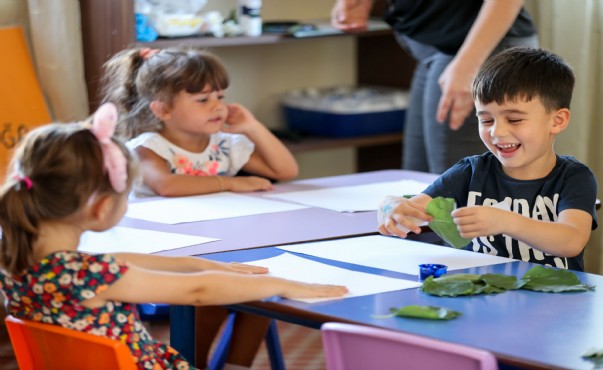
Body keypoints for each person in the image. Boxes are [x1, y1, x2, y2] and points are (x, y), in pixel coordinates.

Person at [0, 103, 348, 369]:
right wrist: (281, 285)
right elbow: (198, 292)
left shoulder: (22, 258)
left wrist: (192, 263)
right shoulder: (89, 274)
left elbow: (125, 262)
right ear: (102, 207)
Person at [377, 47, 598, 272]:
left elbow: (571, 241)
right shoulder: (470, 172)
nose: (497, 132)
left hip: (557, 301)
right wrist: (391, 208)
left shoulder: (574, 178)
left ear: (557, 121)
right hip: (484, 294)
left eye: (513, 119)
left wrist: (506, 221)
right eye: (486, 120)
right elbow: (413, 208)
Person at [332, 0, 538, 174]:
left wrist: (469, 67)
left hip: (474, 51)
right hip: (439, 49)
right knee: (418, 184)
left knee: (456, 194)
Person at [101, 47, 298, 197]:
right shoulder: (147, 148)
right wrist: (230, 183)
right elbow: (167, 185)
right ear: (164, 109)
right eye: (203, 100)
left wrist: (253, 127)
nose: (218, 107)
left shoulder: (225, 145)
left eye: (220, 97)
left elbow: (285, 170)